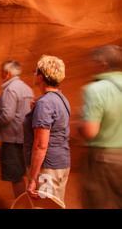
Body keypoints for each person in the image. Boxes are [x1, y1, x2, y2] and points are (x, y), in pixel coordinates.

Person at [23, 55, 71, 203]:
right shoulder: (60, 98)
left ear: (41, 77)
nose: (34, 74)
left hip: (47, 168)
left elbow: (40, 145)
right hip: (60, 163)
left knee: (44, 206)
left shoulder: (45, 103)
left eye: (35, 71)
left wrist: (32, 179)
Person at [79, 45, 122, 208]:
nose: (89, 65)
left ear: (103, 65)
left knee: (95, 202)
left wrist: (79, 126)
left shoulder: (96, 89)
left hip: (102, 160)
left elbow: (90, 131)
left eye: (93, 61)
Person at [0, 60, 34, 198]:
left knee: (15, 176)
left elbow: (7, 115)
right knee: (21, 172)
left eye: (1, 72)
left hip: (12, 138)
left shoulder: (10, 89)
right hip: (24, 136)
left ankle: (22, 206)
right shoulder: (27, 88)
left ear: (7, 73)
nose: (0, 74)